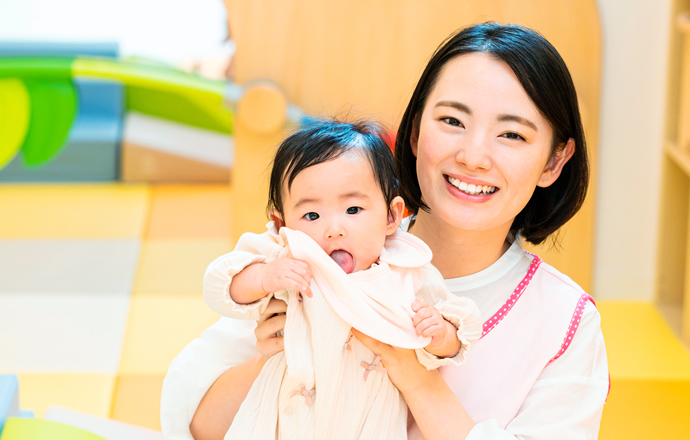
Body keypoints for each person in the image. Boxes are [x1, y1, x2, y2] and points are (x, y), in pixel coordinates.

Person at [161, 22, 609, 440]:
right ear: (414, 133)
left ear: (554, 160)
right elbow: (196, 422)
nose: (474, 156)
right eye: (452, 121)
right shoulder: (324, 250)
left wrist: (414, 377)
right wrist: (276, 359)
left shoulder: (565, 323)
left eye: (512, 135)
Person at [201, 119, 481, 439]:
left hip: (370, 422)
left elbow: (458, 336)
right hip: (286, 419)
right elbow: (220, 285)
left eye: (352, 209)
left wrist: (440, 332)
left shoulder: (405, 268)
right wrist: (264, 276)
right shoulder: (288, 255)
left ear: (392, 216)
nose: (334, 229)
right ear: (281, 224)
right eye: (311, 215)